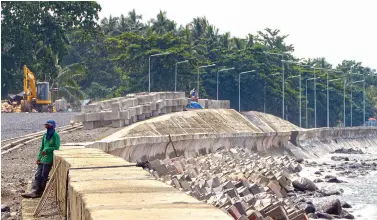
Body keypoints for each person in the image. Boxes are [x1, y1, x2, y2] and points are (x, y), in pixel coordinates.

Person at [21, 120, 60, 198]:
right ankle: (33, 191)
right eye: (46, 125)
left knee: (43, 176)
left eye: (48, 125)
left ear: (52, 126)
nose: (47, 127)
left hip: (49, 159)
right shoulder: (45, 136)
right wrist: (39, 157)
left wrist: (47, 149)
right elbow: (41, 147)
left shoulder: (56, 135)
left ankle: (39, 192)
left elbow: (57, 147)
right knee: (37, 175)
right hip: (42, 158)